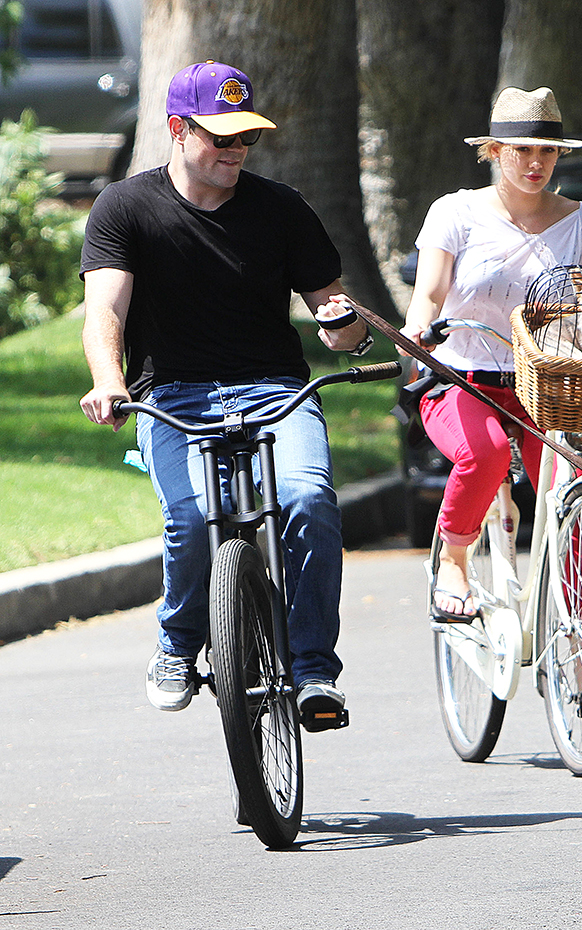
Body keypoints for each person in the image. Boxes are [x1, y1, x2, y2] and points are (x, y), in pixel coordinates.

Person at [79, 61, 373, 727]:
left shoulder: (281, 208)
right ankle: (178, 645)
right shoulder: (125, 208)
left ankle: (313, 671)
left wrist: (345, 326)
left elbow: (336, 314)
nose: (235, 150)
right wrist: (108, 380)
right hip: (173, 396)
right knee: (189, 518)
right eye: (221, 137)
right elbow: (106, 314)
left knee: (310, 499)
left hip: (276, 390)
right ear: (178, 130)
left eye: (246, 138)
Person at [400, 85, 582, 621]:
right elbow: (428, 292)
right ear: (494, 151)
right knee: (487, 454)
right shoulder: (457, 212)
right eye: (522, 150)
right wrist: (419, 326)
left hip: (545, 384)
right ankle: (454, 559)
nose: (536, 162)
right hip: (462, 379)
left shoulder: (580, 221)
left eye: (547, 150)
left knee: (567, 492)